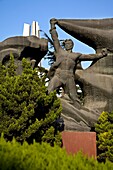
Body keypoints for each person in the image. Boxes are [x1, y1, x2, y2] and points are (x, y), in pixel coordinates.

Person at [47, 18, 107, 108]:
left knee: (74, 98)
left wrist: (101, 55)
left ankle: (80, 116)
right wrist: (53, 26)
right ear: (65, 45)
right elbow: (55, 39)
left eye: (70, 44)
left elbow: (89, 56)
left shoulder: (76, 55)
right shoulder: (60, 51)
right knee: (49, 91)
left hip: (69, 77)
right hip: (58, 76)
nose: (68, 45)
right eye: (66, 44)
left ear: (72, 45)